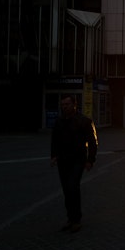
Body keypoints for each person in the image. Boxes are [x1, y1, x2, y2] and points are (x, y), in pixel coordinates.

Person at [51, 94, 98, 233]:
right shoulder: (59, 122)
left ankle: (76, 219)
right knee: (66, 190)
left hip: (78, 160)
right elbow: (55, 140)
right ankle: (70, 218)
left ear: (74, 105)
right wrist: (54, 156)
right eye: (63, 105)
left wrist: (90, 160)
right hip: (63, 160)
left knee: (72, 186)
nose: (64, 107)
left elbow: (93, 142)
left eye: (67, 104)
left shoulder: (84, 121)